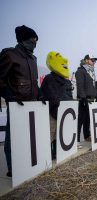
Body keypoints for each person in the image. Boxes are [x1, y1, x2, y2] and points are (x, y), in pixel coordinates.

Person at [0, 25, 43, 177]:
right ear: (24, 39)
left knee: (28, 136)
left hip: (32, 104)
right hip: (17, 103)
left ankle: (26, 162)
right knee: (13, 138)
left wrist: (40, 95)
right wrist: (9, 96)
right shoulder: (10, 54)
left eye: (36, 40)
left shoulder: (33, 58)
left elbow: (34, 82)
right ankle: (13, 168)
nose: (35, 43)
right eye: (33, 39)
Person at [41, 51, 72, 160]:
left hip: (62, 112)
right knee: (51, 134)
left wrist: (70, 105)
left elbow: (67, 95)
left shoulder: (65, 81)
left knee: (59, 134)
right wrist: (62, 105)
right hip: (52, 111)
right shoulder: (49, 78)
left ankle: (55, 153)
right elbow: (51, 96)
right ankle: (46, 156)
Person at [75, 54, 97, 142]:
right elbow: (80, 86)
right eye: (92, 60)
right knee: (80, 120)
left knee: (88, 119)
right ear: (86, 60)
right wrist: (83, 97)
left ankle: (87, 135)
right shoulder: (80, 71)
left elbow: (93, 86)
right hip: (84, 99)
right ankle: (76, 139)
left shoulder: (91, 72)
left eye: (94, 60)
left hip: (91, 99)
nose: (94, 62)